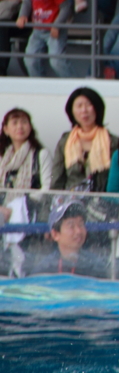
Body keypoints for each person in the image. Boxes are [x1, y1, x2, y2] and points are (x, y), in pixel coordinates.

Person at [0, 107, 52, 276]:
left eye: (24, 122)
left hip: (30, 214)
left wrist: (17, 205)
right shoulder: (3, 157)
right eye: (14, 123)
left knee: (24, 263)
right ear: (6, 129)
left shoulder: (41, 154)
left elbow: (47, 188)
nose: (20, 127)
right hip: (2, 215)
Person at [52, 87, 119, 192]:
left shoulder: (113, 142)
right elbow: (57, 179)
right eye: (79, 106)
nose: (84, 110)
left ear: (97, 108)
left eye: (88, 105)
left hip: (101, 203)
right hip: (71, 202)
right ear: (72, 111)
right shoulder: (65, 141)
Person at [16, 0, 72, 78]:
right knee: (30, 60)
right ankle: (40, 86)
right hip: (37, 30)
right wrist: (22, 15)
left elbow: (65, 8)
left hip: (53, 31)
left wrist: (56, 26)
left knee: (57, 61)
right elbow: (27, 2)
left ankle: (75, 87)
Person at [28, 200, 109, 278]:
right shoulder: (45, 269)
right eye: (71, 226)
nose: (78, 231)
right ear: (55, 234)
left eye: (81, 225)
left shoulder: (95, 266)